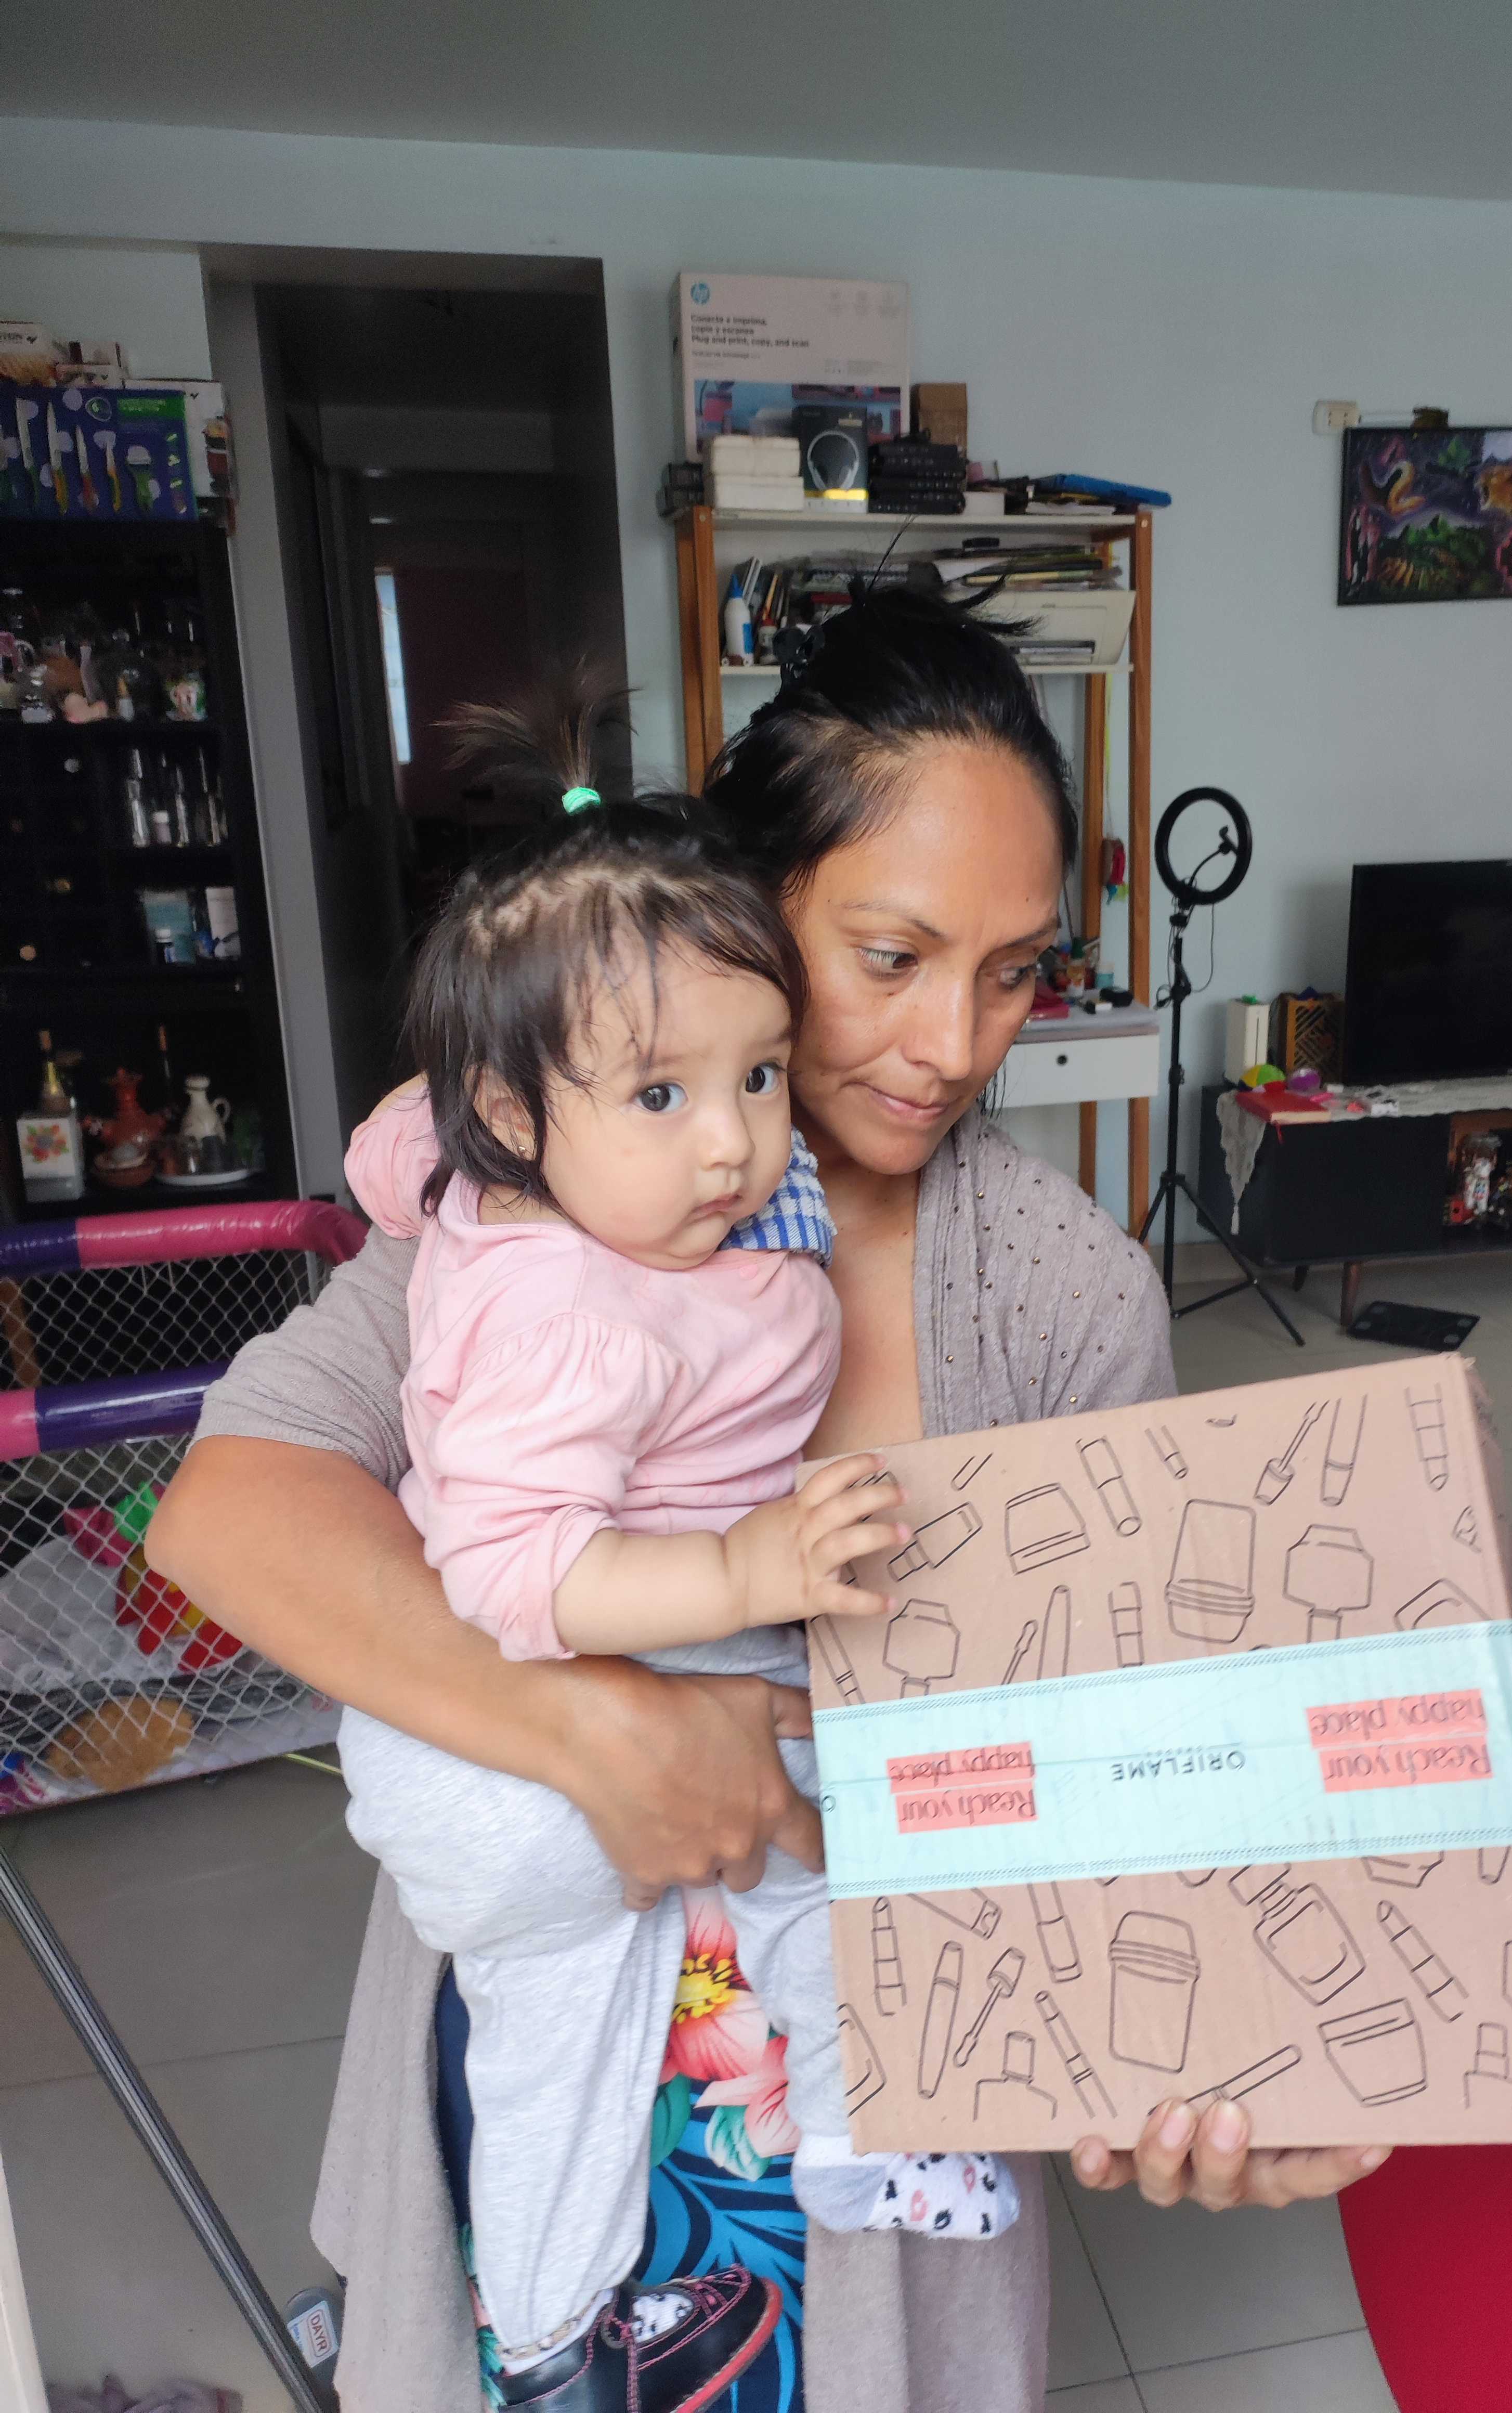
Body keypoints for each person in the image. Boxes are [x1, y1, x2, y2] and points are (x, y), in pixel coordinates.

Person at [149, 590, 1383, 2413]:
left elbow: (1120, 1765)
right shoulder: (554, 1179)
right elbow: (229, 1510)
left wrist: (1219, 2055)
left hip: (856, 2150)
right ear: (748, 906)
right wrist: (605, 1735)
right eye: (890, 956)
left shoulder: (1062, 1297)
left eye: (1014, 972)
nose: (951, 1042)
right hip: (545, 2053)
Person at [336, 702, 1016, 2407]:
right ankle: (578, 2306)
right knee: (660, 1971)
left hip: (560, 1712)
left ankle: (725, 2215)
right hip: (528, 1731)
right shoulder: (574, 1303)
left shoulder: (518, 1175)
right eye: (661, 1093)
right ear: (514, 1114)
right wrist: (743, 1574)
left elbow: (395, 1146)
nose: (729, 1142)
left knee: (722, 1926)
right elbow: (510, 1572)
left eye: (755, 1075)